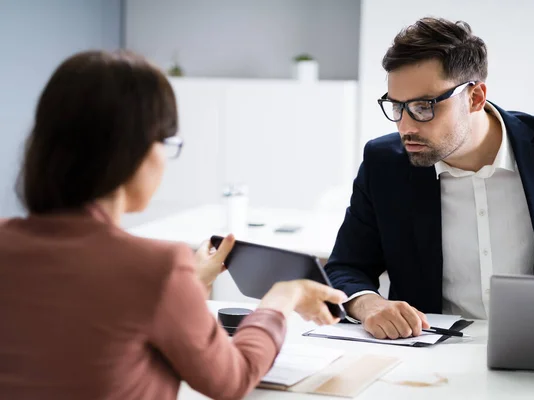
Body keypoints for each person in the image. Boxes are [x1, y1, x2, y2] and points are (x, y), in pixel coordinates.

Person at [0, 50, 347, 400]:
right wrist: (281, 299)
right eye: (168, 143)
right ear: (140, 149)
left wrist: (188, 284)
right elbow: (232, 379)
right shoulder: (154, 267)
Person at [325, 17, 534, 340]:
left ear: (475, 97)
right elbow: (346, 266)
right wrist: (369, 304)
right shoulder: (384, 163)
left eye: (424, 107)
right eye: (396, 106)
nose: (405, 126)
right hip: (432, 359)